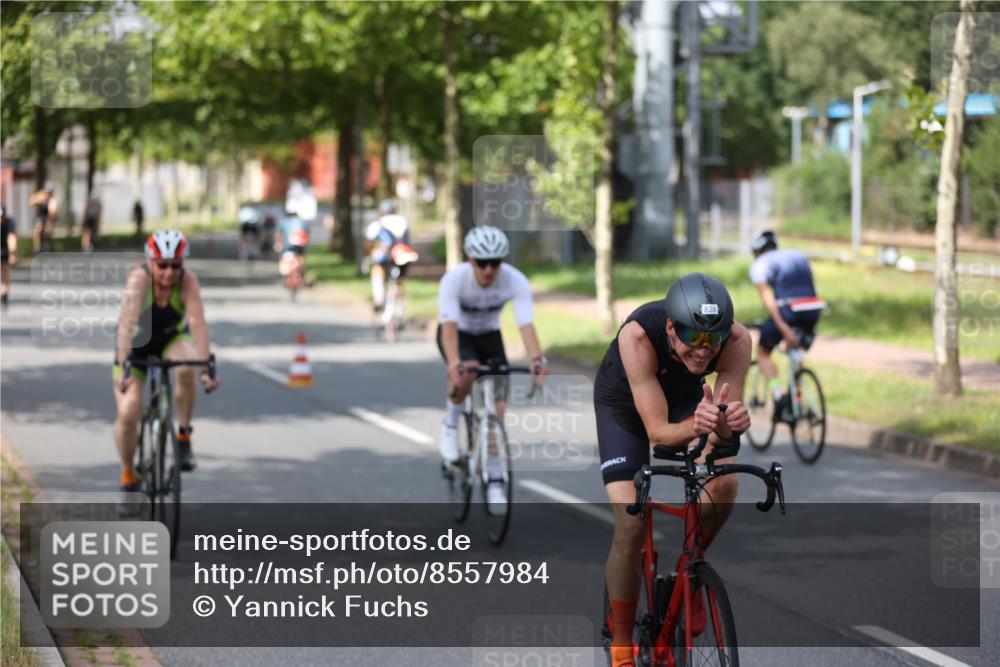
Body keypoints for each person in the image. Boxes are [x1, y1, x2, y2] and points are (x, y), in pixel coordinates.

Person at [593, 272, 751, 667]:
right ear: (670, 327)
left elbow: (718, 441)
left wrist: (726, 426)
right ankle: (623, 644)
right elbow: (660, 434)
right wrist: (699, 426)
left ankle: (691, 575)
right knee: (631, 521)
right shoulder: (638, 338)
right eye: (693, 337)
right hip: (627, 406)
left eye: (711, 338)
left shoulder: (735, 342)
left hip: (688, 401)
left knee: (726, 482)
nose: (703, 351)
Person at [436, 226, 549, 508]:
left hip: (488, 335)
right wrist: (453, 363)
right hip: (458, 334)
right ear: (471, 260)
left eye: (495, 263)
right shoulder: (454, 280)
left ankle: (495, 477)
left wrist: (536, 359)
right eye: (482, 263)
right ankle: (450, 426)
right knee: (468, 370)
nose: (489, 270)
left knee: (497, 411)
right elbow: (448, 327)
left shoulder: (515, 280)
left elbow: (526, 324)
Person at [113, 230, 220, 491]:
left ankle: (183, 435)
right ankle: (128, 470)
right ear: (150, 262)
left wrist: (205, 368)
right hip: (137, 345)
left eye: (176, 266)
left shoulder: (188, 282)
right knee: (129, 412)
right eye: (162, 265)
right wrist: (124, 367)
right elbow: (126, 325)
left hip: (171, 339)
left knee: (186, 367)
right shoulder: (139, 280)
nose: (169, 273)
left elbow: (197, 323)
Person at [748, 230, 823, 419]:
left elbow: (769, 300)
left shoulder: (760, 264)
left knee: (763, 353)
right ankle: (797, 399)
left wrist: (782, 327)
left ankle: (779, 396)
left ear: (757, 251)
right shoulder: (796, 255)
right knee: (794, 351)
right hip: (813, 308)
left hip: (788, 310)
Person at [365, 199, 411, 312]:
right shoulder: (402, 221)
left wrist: (371, 253)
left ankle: (378, 299)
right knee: (400, 280)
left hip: (386, 256)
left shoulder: (378, 223)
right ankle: (400, 309)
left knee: (377, 270)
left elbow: (368, 243)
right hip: (402, 255)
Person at [275, 206, 310, 291]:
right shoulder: (303, 223)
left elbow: (279, 235)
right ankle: (302, 276)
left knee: (285, 261)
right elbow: (307, 235)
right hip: (300, 247)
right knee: (301, 261)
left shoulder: (284, 222)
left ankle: (286, 278)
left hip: (288, 247)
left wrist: (278, 244)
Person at [29, 182, 57, 254]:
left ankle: (50, 248)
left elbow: (53, 214)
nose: (48, 193)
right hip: (41, 217)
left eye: (50, 191)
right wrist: (38, 200)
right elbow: (30, 202)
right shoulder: (41, 195)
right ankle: (37, 249)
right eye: (47, 191)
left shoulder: (53, 200)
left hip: (50, 218)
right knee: (38, 228)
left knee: (49, 231)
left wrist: (50, 224)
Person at [1, 204, 17, 310]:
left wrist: (12, 254)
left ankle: (4, 295)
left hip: (4, 250)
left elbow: (12, 238)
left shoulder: (9, 222)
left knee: (5, 273)